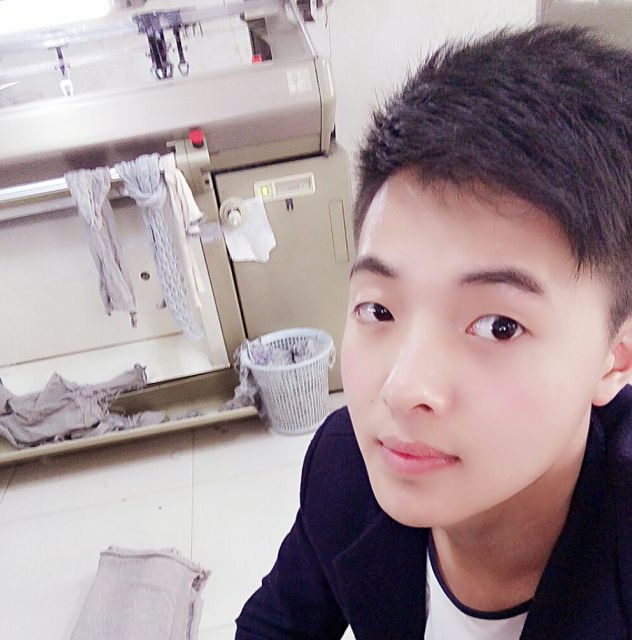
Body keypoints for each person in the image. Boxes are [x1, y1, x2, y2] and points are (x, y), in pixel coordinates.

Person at [235, 25, 632, 639]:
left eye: (498, 326)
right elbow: (276, 624)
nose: (401, 389)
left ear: (616, 357)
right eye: (379, 311)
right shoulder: (345, 467)